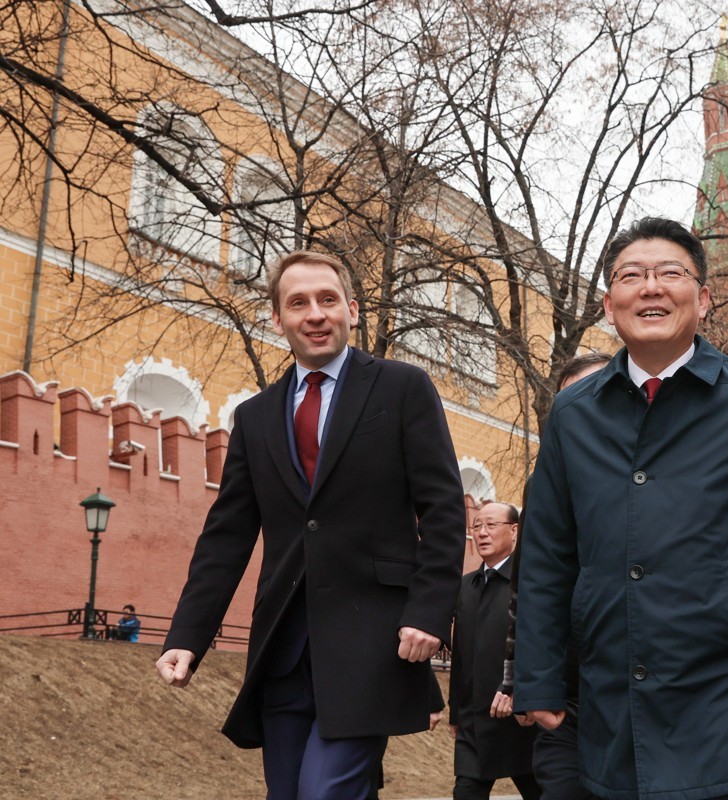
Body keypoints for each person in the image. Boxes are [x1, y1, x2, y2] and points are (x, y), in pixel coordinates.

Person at [514, 217, 728, 800]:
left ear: (702, 298)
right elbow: (548, 555)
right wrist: (537, 676)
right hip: (614, 696)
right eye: (632, 276)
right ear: (609, 304)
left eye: (670, 273)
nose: (650, 288)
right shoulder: (574, 414)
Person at [155, 250, 466, 799]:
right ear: (277, 319)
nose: (315, 314)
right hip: (283, 649)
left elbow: (442, 509)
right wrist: (187, 634)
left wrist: (429, 612)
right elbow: (227, 534)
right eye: (298, 303)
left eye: (327, 299)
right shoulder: (254, 418)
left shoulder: (401, 388)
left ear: (352, 308)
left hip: (373, 644)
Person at [501, 352, 610, 800]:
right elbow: (527, 589)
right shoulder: (542, 483)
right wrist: (521, 680)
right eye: (571, 403)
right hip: (570, 699)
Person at [450, 500, 540, 800]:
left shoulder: (532, 582)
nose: (482, 533)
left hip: (521, 719)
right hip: (475, 720)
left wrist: (519, 691)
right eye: (477, 526)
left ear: (515, 531)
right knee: (466, 792)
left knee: (540, 790)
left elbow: (540, 645)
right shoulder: (465, 586)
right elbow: (460, 656)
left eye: (491, 525)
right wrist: (455, 712)